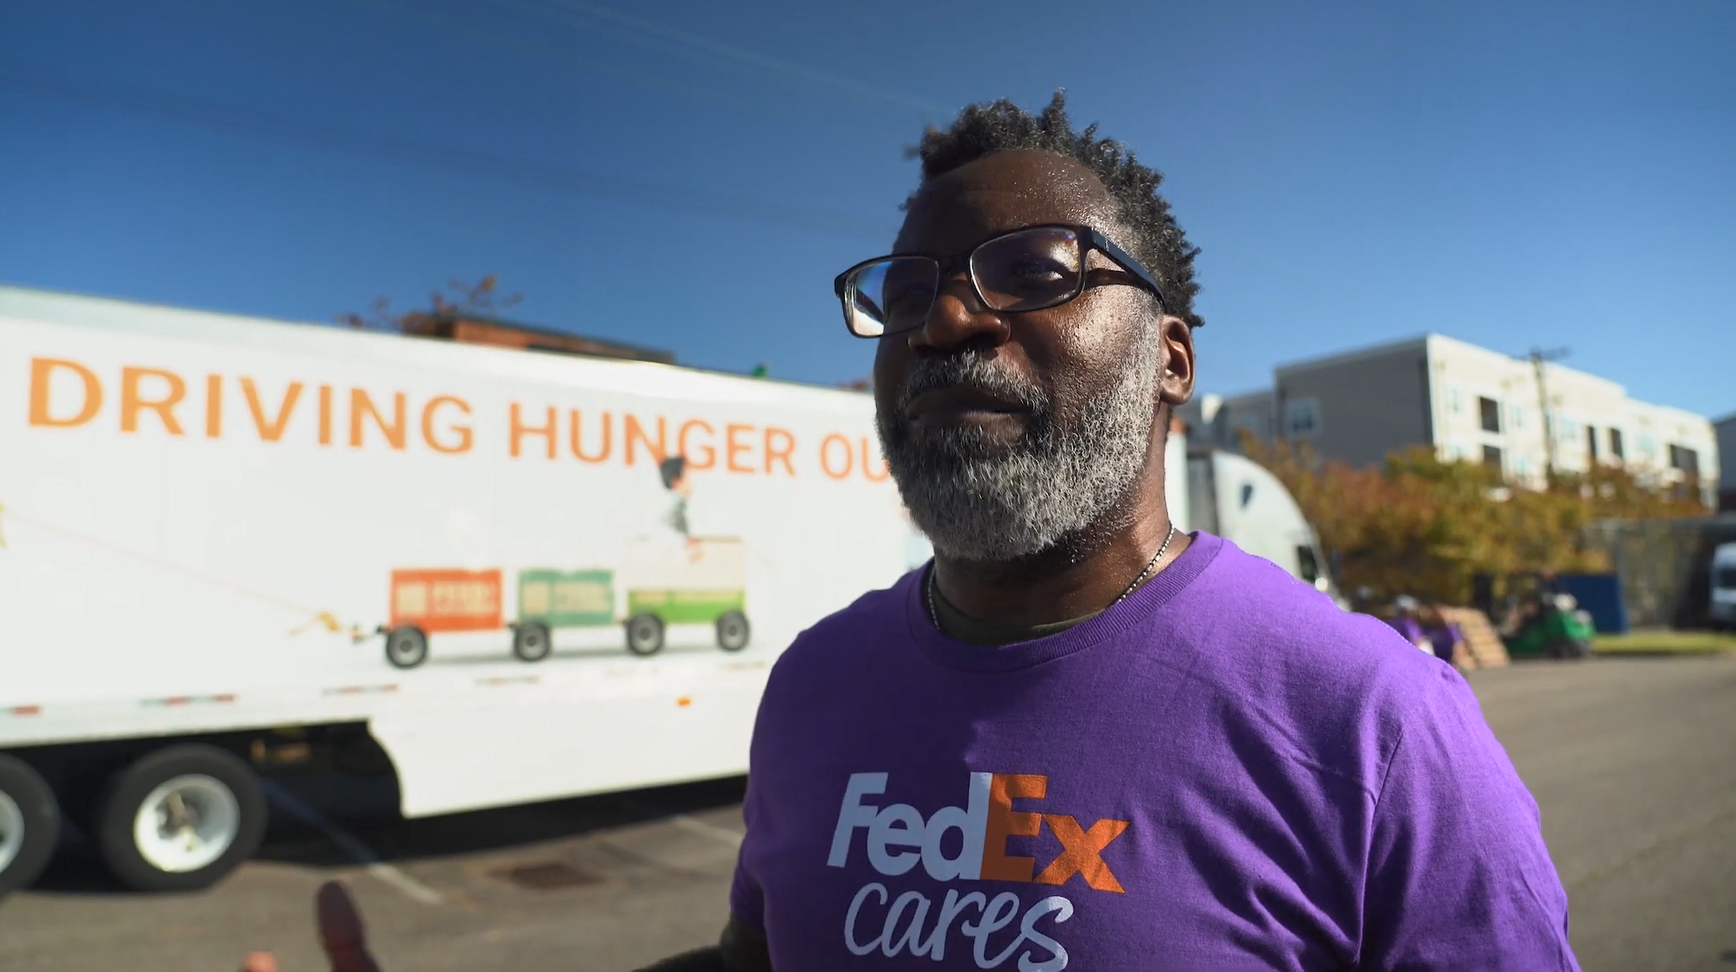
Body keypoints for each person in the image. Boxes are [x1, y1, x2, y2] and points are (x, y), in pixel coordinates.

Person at [253, 92, 1579, 971]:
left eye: (1033, 272)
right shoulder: (818, 685)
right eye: (909, 291)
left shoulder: (1376, 726)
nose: (944, 319)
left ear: (1173, 358)